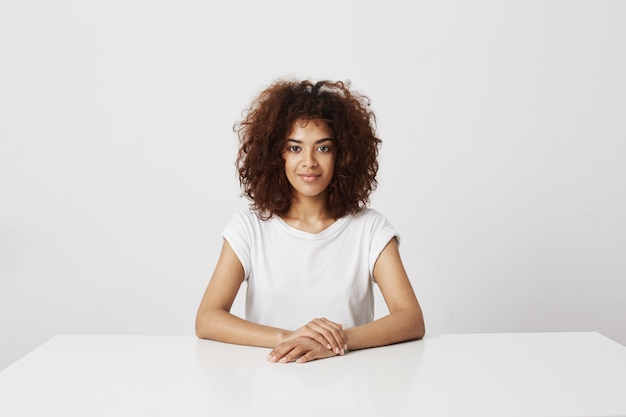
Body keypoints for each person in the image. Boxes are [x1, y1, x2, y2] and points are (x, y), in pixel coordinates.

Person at [196, 79, 424, 363]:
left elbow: (411, 318)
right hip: (270, 385)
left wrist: (339, 341)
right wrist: (288, 338)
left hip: (350, 387)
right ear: (276, 154)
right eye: (294, 148)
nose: (309, 162)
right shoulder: (249, 229)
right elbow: (207, 318)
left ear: (343, 155)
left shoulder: (370, 229)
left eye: (323, 148)